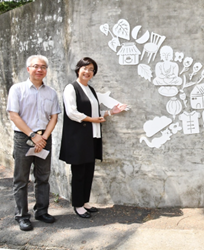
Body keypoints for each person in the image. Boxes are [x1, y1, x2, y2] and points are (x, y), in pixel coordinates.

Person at [59, 57, 127, 219]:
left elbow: (95, 114)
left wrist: (111, 112)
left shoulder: (90, 89)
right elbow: (72, 113)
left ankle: (84, 202)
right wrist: (92, 120)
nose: (88, 72)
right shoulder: (71, 88)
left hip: (91, 136)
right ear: (78, 69)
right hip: (78, 138)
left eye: (91, 69)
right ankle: (77, 204)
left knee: (89, 171)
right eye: (85, 68)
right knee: (79, 172)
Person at [7, 55, 61, 231]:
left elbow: (54, 117)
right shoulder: (17, 89)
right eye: (36, 66)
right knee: (21, 179)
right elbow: (14, 115)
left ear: (46, 70)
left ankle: (42, 211)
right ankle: (22, 216)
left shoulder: (51, 92)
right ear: (28, 68)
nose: (40, 69)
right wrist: (32, 135)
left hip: (44, 138)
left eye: (43, 67)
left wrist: (43, 137)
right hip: (24, 138)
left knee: (43, 177)